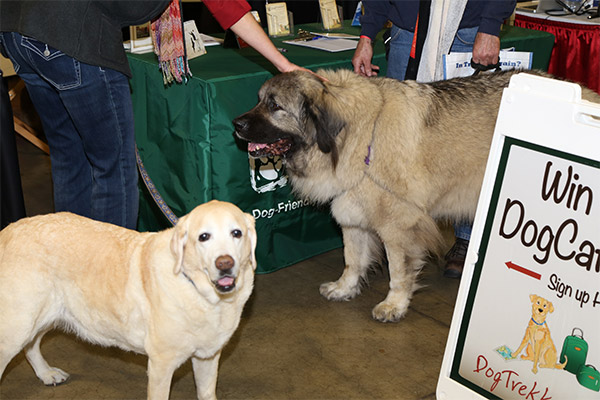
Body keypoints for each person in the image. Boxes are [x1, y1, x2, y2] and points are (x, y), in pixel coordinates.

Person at [0, 0, 307, 230]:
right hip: (72, 35)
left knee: (70, 159)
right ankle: (110, 285)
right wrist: (284, 64)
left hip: (20, 33)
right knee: (114, 169)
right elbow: (133, 6)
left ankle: (71, 274)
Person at [352, 0, 516, 278]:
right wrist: (367, 35)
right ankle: (400, 232)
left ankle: (466, 239)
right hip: (407, 32)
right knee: (398, 146)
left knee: (465, 147)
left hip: (467, 31)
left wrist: (490, 26)